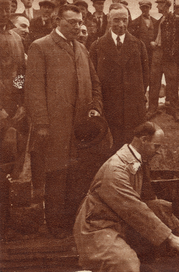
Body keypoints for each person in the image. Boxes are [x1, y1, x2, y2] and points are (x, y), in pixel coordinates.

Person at [74, 122, 179, 271]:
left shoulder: (135, 162)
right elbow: (135, 209)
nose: (158, 151)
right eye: (156, 146)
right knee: (127, 264)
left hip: (117, 222)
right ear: (144, 140)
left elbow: (148, 203)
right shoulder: (115, 170)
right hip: (96, 228)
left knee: (158, 207)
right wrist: (170, 237)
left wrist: (175, 224)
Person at [25, 4, 103, 238]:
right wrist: (41, 124)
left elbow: (95, 82)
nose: (78, 27)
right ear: (57, 21)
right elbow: (33, 89)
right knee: (57, 173)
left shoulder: (81, 48)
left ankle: (74, 222)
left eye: (80, 22)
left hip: (80, 127)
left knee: (77, 174)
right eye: (72, 23)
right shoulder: (40, 47)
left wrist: (95, 108)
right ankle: (56, 226)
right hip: (54, 127)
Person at [90, 4, 149, 153]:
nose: (121, 25)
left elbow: (146, 77)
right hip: (109, 109)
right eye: (116, 20)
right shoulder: (97, 46)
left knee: (135, 150)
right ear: (109, 19)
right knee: (111, 149)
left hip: (133, 110)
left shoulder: (139, 45)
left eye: (124, 20)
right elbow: (92, 79)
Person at [0, 0, 27, 240]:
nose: (4, 11)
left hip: (12, 115)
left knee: (8, 168)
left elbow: (19, 74)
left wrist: (20, 103)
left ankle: (5, 224)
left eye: (7, 7)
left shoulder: (16, 38)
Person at [147, 0, 179, 122]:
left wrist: (176, 59)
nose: (157, 6)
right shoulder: (159, 21)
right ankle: (152, 109)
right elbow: (155, 37)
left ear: (165, 5)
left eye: (159, 4)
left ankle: (175, 110)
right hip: (157, 55)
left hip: (170, 58)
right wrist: (153, 42)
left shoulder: (177, 20)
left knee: (172, 84)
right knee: (154, 83)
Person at [129, 0, 157, 73]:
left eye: (146, 7)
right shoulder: (135, 22)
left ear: (150, 8)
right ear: (140, 8)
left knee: (153, 71)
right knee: (141, 70)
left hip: (153, 51)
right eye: (142, 8)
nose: (144, 10)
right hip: (140, 51)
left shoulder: (156, 22)